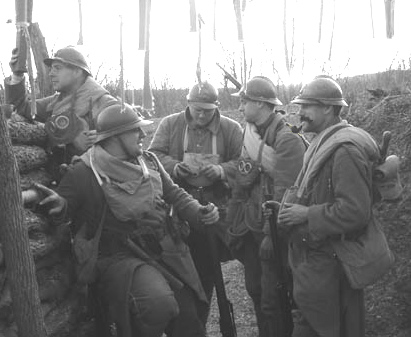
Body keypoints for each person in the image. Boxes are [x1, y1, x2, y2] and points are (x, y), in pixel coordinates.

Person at [27, 104, 220, 337]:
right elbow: (63, 209)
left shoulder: (147, 161)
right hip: (116, 258)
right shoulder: (83, 171)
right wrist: (60, 208)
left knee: (189, 318)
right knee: (158, 303)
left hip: (162, 250)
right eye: (135, 130)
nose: (143, 135)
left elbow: (174, 194)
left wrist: (200, 212)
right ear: (114, 137)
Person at [277, 76, 381, 337]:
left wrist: (306, 214)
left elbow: (355, 212)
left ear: (328, 108)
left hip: (332, 266)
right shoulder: (322, 143)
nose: (301, 112)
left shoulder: (343, 150)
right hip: (315, 266)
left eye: (307, 106)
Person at [148, 81, 243, 326]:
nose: (201, 115)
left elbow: (245, 163)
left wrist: (221, 170)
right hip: (178, 208)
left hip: (215, 208)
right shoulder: (170, 124)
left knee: (207, 268)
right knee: (176, 266)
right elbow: (152, 156)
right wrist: (174, 167)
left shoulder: (231, 129)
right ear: (188, 103)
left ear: (216, 107)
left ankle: (199, 320)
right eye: (196, 109)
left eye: (207, 110)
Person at [226, 76, 306, 337]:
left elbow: (287, 195)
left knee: (277, 299)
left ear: (260, 104)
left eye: (244, 102)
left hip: (275, 233)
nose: (240, 108)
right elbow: (242, 179)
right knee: (257, 291)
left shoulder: (286, 141)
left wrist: (272, 237)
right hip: (253, 228)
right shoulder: (250, 134)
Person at [4, 45, 117, 180]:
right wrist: (17, 75)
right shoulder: (56, 102)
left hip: (92, 185)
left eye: (57, 68)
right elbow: (20, 107)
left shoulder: (106, 103)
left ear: (77, 71)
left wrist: (105, 137)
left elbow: (129, 140)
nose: (51, 73)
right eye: (51, 69)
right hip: (59, 180)